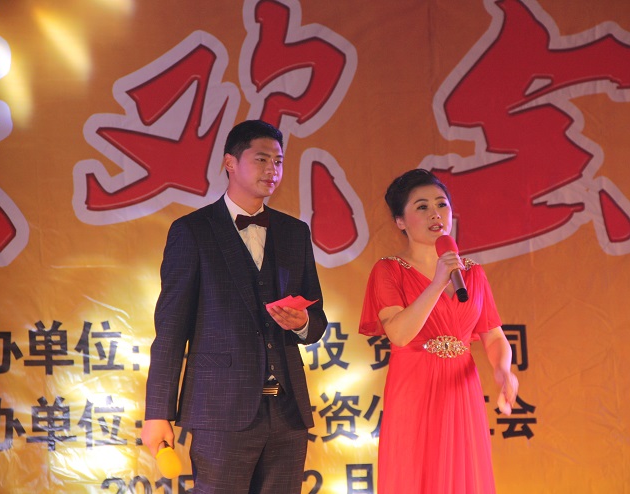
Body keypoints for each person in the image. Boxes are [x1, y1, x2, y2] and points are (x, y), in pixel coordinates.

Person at [141, 120, 328, 494]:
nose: (272, 170)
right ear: (230, 162)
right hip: (219, 410)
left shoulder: (294, 232)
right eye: (261, 159)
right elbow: (171, 329)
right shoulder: (192, 231)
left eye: (278, 161)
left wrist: (303, 321)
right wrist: (158, 412)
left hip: (288, 412)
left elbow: (317, 319)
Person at [359, 168, 518, 493]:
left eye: (441, 204)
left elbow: (493, 335)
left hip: (462, 388)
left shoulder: (472, 273)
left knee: (463, 476)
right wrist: (436, 283)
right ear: (400, 221)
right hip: (414, 389)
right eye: (422, 206)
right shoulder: (389, 270)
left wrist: (503, 370)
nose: (436, 214)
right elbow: (399, 334)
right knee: (416, 475)